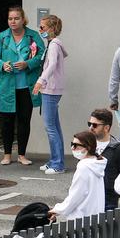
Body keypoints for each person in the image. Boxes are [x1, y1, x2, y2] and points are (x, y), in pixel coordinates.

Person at [0, 6, 44, 166]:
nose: (13, 21)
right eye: (10, 19)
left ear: (23, 19)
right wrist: (2, 65)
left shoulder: (33, 36)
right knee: (6, 122)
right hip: (7, 86)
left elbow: (42, 56)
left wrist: (28, 64)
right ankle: (7, 155)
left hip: (27, 87)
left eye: (16, 18)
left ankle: (22, 155)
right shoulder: (2, 37)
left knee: (24, 121)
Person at [32, 15, 67, 175]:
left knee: (50, 127)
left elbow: (52, 64)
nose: (40, 30)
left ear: (52, 29)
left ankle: (58, 163)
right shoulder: (52, 44)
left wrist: (40, 81)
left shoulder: (53, 45)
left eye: (43, 27)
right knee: (55, 126)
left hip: (50, 89)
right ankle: (55, 160)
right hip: (52, 88)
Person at [49, 131, 106, 223]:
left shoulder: (84, 167)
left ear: (87, 147)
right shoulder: (97, 164)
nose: (72, 148)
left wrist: (57, 210)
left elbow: (75, 196)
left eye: (76, 145)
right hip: (94, 217)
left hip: (81, 220)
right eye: (72, 144)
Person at [87, 109, 120, 211]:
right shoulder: (86, 144)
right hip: (88, 196)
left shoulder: (119, 149)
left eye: (95, 125)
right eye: (89, 124)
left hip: (108, 200)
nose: (90, 128)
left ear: (106, 127)